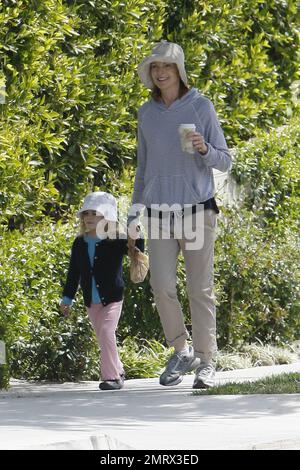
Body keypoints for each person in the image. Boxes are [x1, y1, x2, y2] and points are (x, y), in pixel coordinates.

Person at [130, 41, 232, 389]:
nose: (160, 73)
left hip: (197, 211)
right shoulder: (146, 113)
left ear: (179, 71)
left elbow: (225, 159)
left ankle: (206, 361)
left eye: (167, 67)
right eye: (155, 67)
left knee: (199, 289)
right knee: (161, 286)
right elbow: (142, 166)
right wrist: (134, 213)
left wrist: (204, 148)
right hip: (159, 213)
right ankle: (182, 349)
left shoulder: (201, 106)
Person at [60, 191, 144, 391]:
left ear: (107, 217)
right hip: (91, 301)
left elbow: (137, 250)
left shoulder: (116, 240)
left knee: (107, 332)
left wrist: (137, 234)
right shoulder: (79, 243)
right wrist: (67, 298)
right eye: (86, 213)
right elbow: (74, 273)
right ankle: (119, 369)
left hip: (113, 297)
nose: (88, 217)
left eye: (94, 213)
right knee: (104, 337)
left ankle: (112, 377)